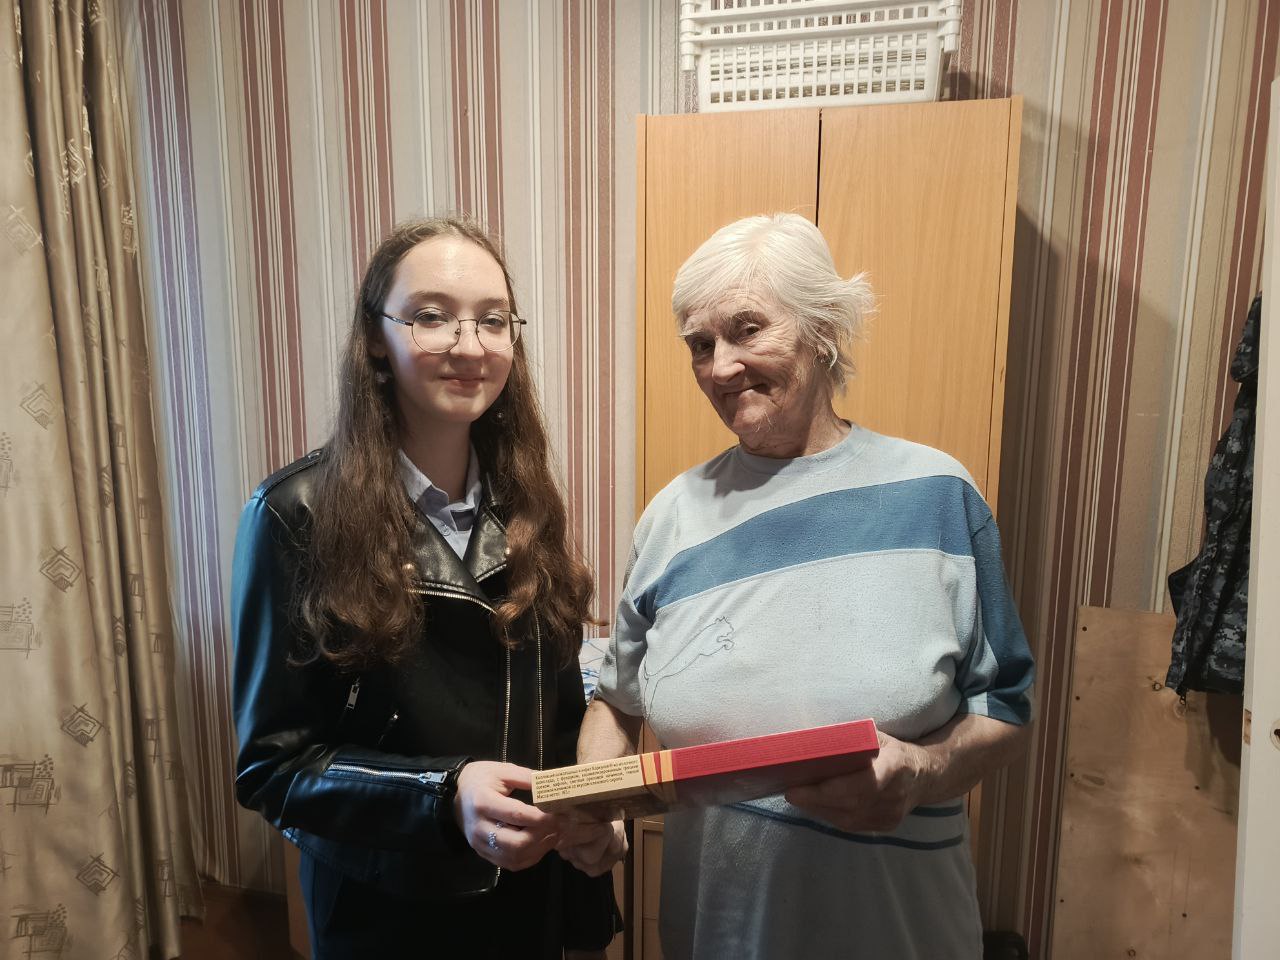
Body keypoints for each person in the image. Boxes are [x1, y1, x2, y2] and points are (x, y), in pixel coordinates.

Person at [579, 213, 1035, 959]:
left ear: (823, 327)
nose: (720, 367)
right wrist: (594, 804)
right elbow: (618, 702)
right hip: (716, 940)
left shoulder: (937, 496)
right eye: (700, 345)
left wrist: (923, 772)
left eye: (747, 329)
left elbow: (1007, 710)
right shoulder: (671, 518)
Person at [231, 216, 625, 958]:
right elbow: (274, 767)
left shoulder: (529, 503)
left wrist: (590, 824)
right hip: (387, 916)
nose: (470, 346)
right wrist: (445, 793)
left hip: (529, 905)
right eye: (432, 316)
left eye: (493, 320)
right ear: (376, 338)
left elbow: (559, 718)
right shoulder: (296, 514)